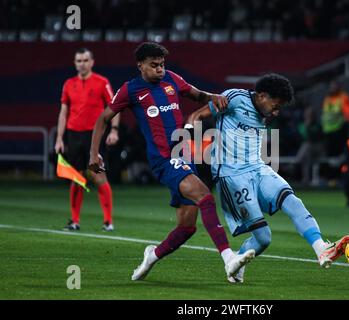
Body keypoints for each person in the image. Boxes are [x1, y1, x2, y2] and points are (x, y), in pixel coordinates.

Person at [88, 42, 255, 282]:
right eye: (154, 65)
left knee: (187, 227)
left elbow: (198, 95)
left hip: (184, 156)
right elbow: (104, 118)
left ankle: (152, 255)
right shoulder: (130, 90)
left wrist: (215, 97)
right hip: (164, 159)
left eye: (162, 65)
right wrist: (95, 152)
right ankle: (229, 259)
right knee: (205, 197)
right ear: (140, 66)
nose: (160, 69)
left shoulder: (173, 79)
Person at [186, 74, 349, 283]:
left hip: (258, 168)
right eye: (276, 105)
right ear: (262, 96)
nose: (277, 111)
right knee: (264, 238)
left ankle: (321, 249)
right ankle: (236, 262)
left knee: (293, 201)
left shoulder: (265, 111)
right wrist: (191, 132)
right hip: (232, 175)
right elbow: (196, 115)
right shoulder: (233, 99)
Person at [55, 48, 119, 232]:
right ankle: (74, 221)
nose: (81, 64)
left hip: (94, 135)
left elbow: (114, 107)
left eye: (85, 60)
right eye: (78, 61)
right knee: (77, 178)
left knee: (98, 175)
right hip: (73, 135)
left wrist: (114, 130)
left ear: (91, 62)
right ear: (75, 63)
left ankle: (108, 221)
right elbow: (63, 112)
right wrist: (59, 138)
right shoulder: (69, 84)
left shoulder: (101, 82)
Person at [321, 80, 349, 157]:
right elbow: (325, 113)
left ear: (339, 87)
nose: (333, 88)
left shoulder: (344, 97)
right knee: (329, 153)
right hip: (327, 130)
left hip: (339, 129)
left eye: (335, 86)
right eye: (331, 86)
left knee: (338, 154)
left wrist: (346, 125)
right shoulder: (327, 99)